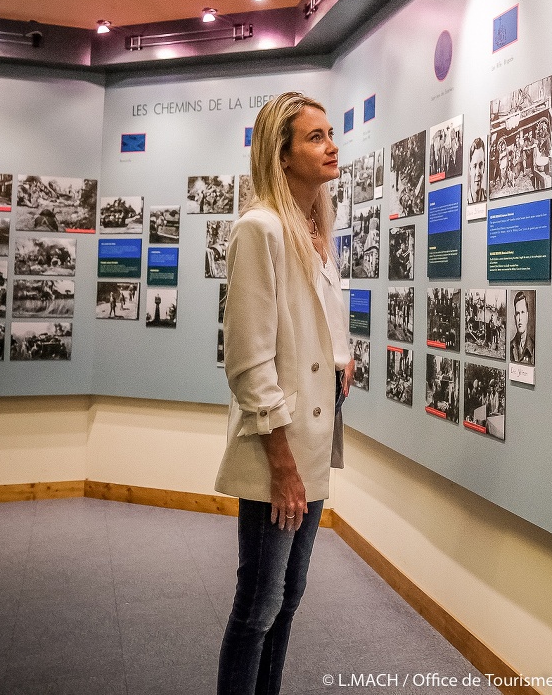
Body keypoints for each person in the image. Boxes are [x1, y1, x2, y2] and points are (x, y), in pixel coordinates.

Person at [216, 93, 355, 695]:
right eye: (315, 137)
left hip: (315, 444)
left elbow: (323, 325)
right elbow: (248, 360)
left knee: (289, 599)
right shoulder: (261, 229)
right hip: (282, 451)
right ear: (282, 153)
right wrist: (282, 463)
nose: (332, 146)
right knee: (258, 604)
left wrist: (346, 360)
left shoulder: (316, 231)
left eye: (331, 134)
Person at [510, 290, 534, 365]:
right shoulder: (509, 347)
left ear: (527, 316)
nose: (520, 318)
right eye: (517, 314)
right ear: (514, 318)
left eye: (522, 312)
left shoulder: (534, 347)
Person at [467, 137, 487, 204]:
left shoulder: (487, 197)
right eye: (474, 166)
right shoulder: (465, 202)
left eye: (481, 165)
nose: (478, 173)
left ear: (484, 167)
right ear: (470, 169)